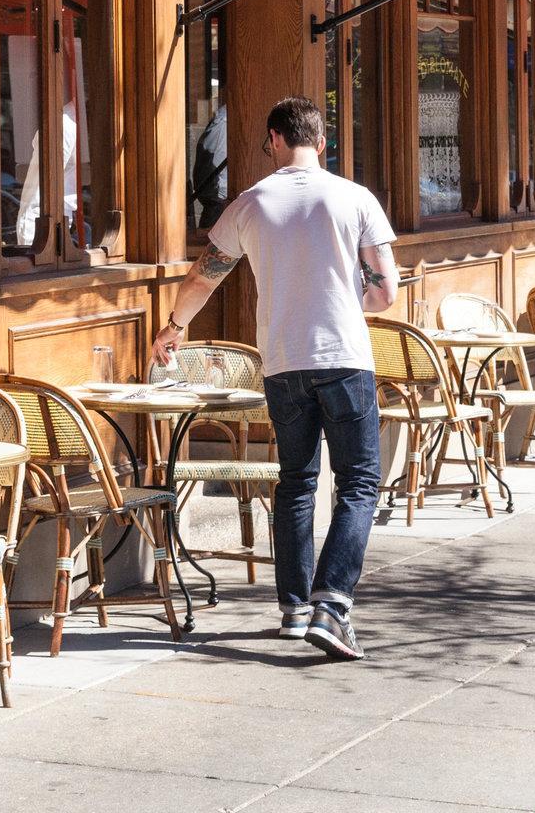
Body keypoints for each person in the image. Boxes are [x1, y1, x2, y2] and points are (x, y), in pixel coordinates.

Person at [150, 95, 398, 661]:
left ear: (273, 140)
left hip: (282, 360)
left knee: (295, 481)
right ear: (323, 144)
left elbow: (204, 276)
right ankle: (331, 605)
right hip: (343, 356)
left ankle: (293, 609)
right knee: (359, 482)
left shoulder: (250, 202)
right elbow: (385, 293)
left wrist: (173, 327)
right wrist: (342, 298)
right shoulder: (355, 198)